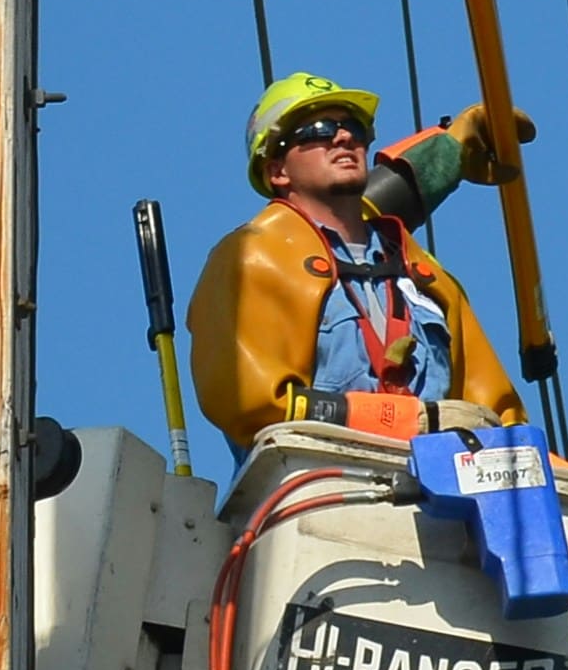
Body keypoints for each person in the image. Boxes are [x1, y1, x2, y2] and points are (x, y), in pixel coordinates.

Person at [183, 73, 528, 460]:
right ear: (277, 170)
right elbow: (253, 403)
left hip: (445, 493)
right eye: (318, 130)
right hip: (320, 490)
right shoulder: (250, 258)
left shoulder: (420, 274)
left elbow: (498, 414)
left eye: (354, 128)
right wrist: (408, 420)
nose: (343, 137)